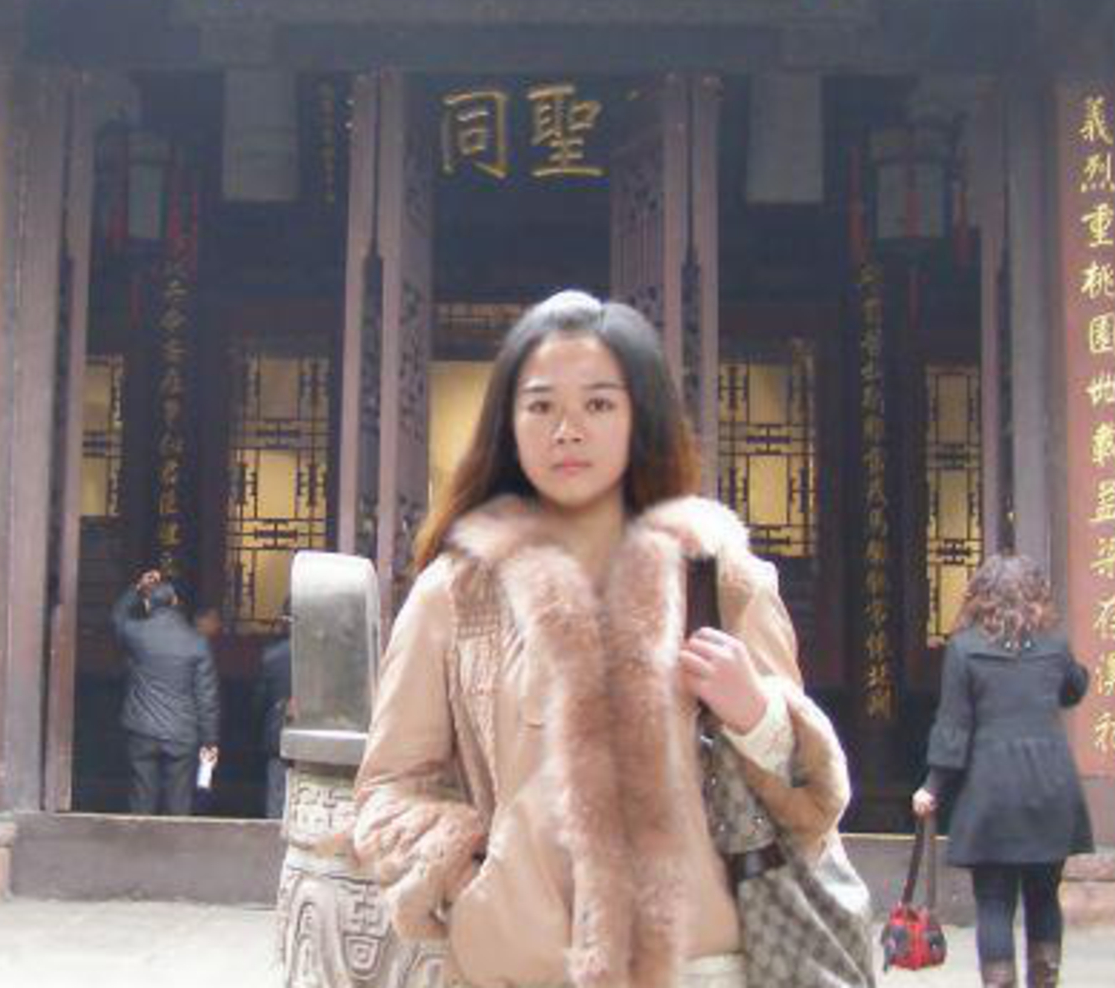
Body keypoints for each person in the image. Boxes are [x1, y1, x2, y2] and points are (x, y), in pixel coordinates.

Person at [352, 290, 854, 988]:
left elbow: (811, 814)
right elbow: (388, 789)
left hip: (707, 969)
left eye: (597, 404)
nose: (567, 430)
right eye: (540, 406)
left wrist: (759, 716)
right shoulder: (457, 596)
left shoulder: (719, 579)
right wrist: (475, 880)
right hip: (527, 973)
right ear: (508, 424)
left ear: (640, 417)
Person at [912, 553, 1093, 988]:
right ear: (1036, 596)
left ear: (981, 596)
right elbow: (1074, 689)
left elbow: (954, 726)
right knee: (1044, 896)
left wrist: (932, 785)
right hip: (1050, 785)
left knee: (994, 902)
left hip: (991, 789)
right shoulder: (1053, 646)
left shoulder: (964, 649)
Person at [111, 568, 221, 816]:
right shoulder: (197, 642)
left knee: (142, 797)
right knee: (179, 800)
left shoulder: (137, 633)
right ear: (175, 602)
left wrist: (137, 589)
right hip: (182, 732)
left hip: (142, 729)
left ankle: (141, 837)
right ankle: (177, 839)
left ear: (148, 604)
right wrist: (210, 740)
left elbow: (117, 618)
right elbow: (207, 697)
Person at [253, 612, 293, 820]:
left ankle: (273, 830)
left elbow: (260, 700)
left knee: (277, 789)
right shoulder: (326, 656)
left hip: (278, 728)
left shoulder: (272, 656)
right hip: (320, 731)